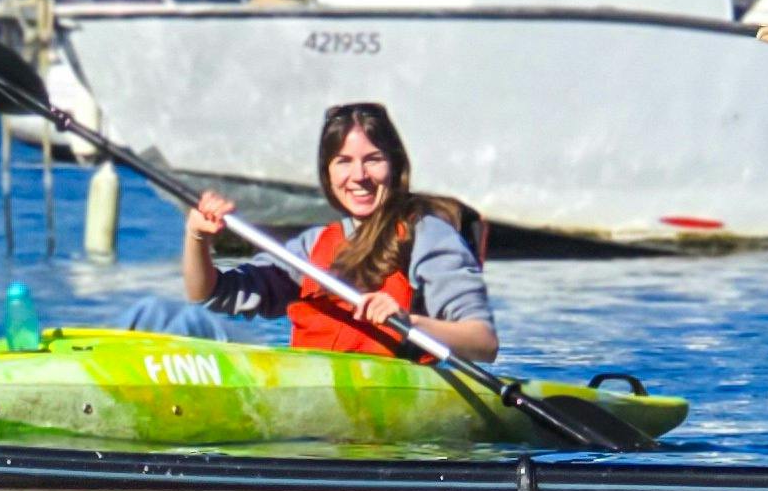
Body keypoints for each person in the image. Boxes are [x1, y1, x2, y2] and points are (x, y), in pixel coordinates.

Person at [125, 101, 499, 360]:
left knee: (178, 321)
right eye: (344, 162)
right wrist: (198, 239)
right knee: (155, 314)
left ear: (395, 166)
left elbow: (483, 342)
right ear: (328, 172)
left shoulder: (426, 234)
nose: (359, 177)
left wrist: (408, 321)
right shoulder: (313, 244)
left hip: (387, 384)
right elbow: (208, 294)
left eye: (373, 160)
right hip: (311, 377)